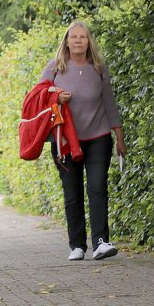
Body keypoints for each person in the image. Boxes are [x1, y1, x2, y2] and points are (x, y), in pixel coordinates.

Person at [40, 21, 125, 261]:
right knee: (72, 192)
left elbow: (109, 103)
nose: (78, 40)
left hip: (98, 137)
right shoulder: (55, 68)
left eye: (83, 37)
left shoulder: (98, 68)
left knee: (98, 187)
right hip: (65, 139)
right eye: (73, 37)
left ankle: (101, 242)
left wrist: (119, 136)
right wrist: (57, 96)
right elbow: (38, 98)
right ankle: (77, 245)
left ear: (89, 42)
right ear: (66, 41)